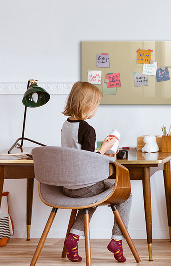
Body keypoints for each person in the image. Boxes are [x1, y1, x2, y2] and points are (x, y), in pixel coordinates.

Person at [61, 81, 131, 263]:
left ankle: (73, 238)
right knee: (126, 194)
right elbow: (88, 161)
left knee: (91, 198)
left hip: (67, 186)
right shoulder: (87, 129)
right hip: (84, 186)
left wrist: (100, 149)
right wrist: (105, 149)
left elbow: (78, 154)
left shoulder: (66, 125)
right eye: (97, 104)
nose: (97, 109)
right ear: (88, 105)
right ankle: (117, 240)